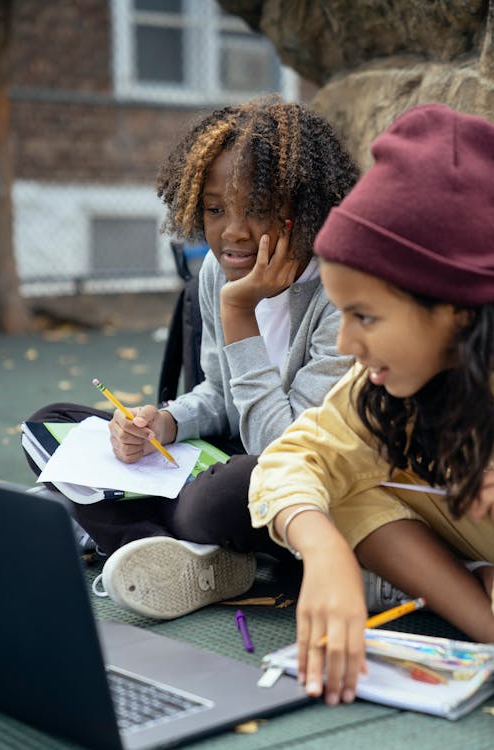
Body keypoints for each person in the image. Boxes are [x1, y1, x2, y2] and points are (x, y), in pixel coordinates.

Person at [26, 95, 363, 618]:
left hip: (298, 482)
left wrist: (240, 314)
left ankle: (98, 518)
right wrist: (163, 422)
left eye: (257, 207)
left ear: (302, 205)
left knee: (228, 490)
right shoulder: (215, 271)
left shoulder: (339, 292)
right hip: (226, 456)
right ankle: (179, 552)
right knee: (51, 425)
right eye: (215, 208)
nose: (234, 231)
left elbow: (286, 450)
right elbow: (217, 394)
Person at [248, 103, 494, 708]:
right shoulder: (382, 387)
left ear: (456, 308)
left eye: (364, 317)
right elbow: (288, 460)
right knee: (340, 487)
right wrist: (324, 550)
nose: (344, 343)